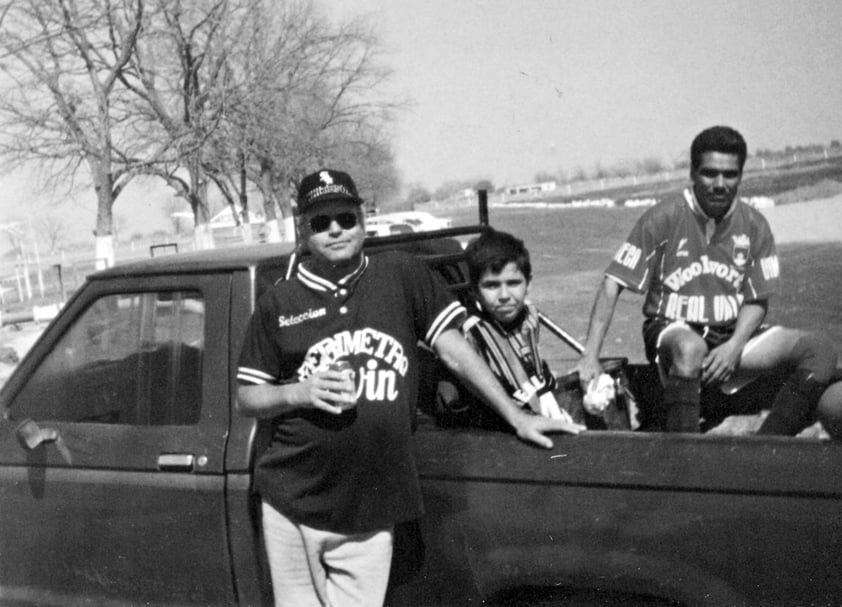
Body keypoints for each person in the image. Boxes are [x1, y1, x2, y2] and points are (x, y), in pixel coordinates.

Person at [236, 169, 582, 607]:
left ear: (363, 218)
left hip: (367, 505)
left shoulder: (400, 275)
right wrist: (297, 393)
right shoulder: (278, 303)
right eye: (321, 222)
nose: (336, 229)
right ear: (303, 229)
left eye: (345, 217)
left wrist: (515, 414)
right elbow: (248, 396)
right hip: (290, 499)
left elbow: (455, 351)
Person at [574, 126, 838, 435]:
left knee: (820, 350)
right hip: (672, 332)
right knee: (690, 348)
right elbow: (612, 282)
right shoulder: (663, 217)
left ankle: (766, 447)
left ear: (740, 174)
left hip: (728, 335)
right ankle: (686, 454)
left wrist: (734, 346)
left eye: (730, 175)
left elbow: (756, 300)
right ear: (692, 173)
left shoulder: (754, 225)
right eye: (709, 173)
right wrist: (590, 356)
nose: (720, 184)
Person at [437, 229, 579, 427]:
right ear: (475, 291)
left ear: (528, 284)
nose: (504, 295)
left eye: (513, 283)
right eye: (492, 286)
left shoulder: (529, 316)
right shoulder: (471, 333)